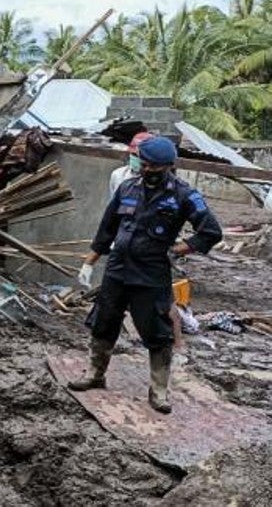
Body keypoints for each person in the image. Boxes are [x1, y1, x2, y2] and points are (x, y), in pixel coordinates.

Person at [69, 136, 222, 414]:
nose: (145, 169)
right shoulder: (127, 187)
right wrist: (90, 262)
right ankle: (95, 374)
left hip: (151, 273)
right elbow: (108, 227)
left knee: (158, 332)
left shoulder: (184, 195)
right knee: (103, 322)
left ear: (166, 166)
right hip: (117, 268)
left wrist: (178, 249)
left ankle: (159, 390)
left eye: (152, 166)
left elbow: (211, 231)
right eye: (144, 163)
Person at [109, 132, 154, 198]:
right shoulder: (118, 175)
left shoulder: (157, 179)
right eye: (133, 154)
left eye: (139, 156)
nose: (135, 158)